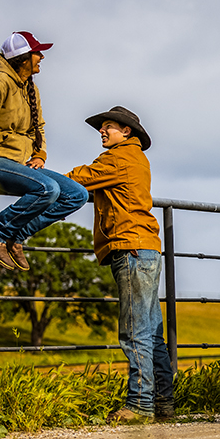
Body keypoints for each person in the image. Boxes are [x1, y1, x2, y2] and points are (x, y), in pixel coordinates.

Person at [67, 106, 174, 423]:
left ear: (126, 131)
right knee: (152, 332)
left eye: (109, 127)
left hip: (130, 249)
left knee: (134, 331)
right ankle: (163, 403)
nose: (102, 131)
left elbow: (80, 179)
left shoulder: (118, 158)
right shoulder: (138, 158)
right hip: (147, 248)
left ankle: (140, 405)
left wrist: (42, 183)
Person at [0, 31, 88, 270]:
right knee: (48, 188)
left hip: (17, 164)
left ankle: (15, 237)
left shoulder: (30, 88)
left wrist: (39, 154)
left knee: (77, 194)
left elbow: (38, 126)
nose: (41, 57)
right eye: (38, 53)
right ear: (24, 57)